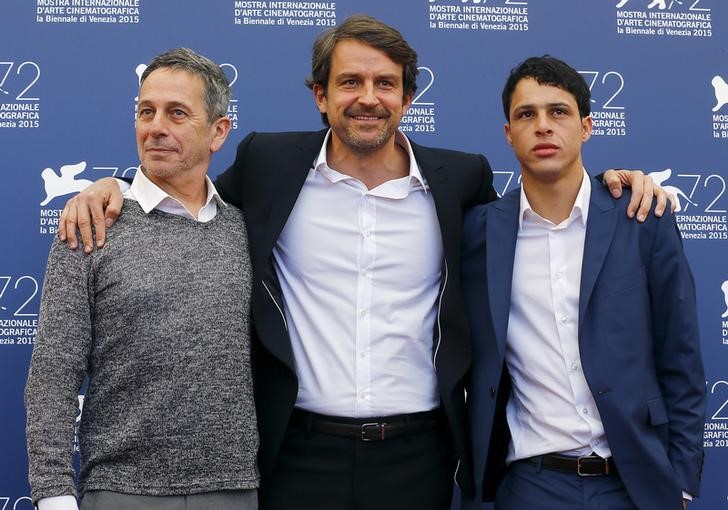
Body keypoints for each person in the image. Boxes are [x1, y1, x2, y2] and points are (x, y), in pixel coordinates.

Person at [56, 16, 667, 510]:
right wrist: (113, 186)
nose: (367, 99)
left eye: (385, 84)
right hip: (294, 456)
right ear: (321, 96)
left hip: (420, 457)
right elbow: (187, 190)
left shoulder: (461, 180)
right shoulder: (269, 163)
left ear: (407, 96)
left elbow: (541, 215)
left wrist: (616, 181)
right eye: (349, 82)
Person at [460, 56, 706, 510]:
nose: (543, 126)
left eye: (559, 112)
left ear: (587, 126)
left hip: (636, 484)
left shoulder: (641, 218)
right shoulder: (478, 232)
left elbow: (682, 355)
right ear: (508, 133)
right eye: (526, 114)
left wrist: (683, 483)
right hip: (530, 485)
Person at [25, 48, 259, 510]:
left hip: (235, 490)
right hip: (119, 491)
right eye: (146, 112)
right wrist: (52, 494)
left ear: (218, 131)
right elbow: (54, 372)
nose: (155, 127)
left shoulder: (247, 229)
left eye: (177, 113)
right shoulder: (90, 225)